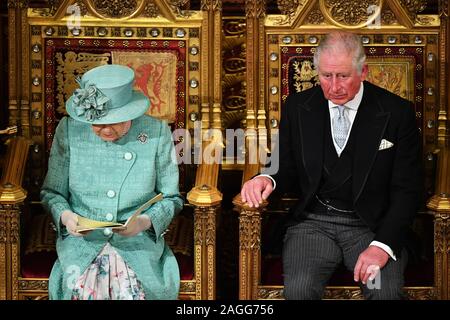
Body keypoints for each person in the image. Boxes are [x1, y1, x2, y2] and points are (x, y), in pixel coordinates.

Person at [240, 31, 422, 300]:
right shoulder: (299, 106)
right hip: (313, 224)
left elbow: (408, 190)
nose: (334, 86)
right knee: (300, 290)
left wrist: (382, 246)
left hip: (371, 227)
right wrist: (267, 178)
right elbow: (284, 165)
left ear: (363, 71)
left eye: (343, 76)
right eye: (326, 76)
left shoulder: (397, 113)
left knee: (383, 292)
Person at [41, 64, 184, 300]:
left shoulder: (155, 133)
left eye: (115, 122)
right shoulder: (69, 130)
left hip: (136, 243)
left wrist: (143, 222)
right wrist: (67, 218)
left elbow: (171, 198)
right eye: (99, 124)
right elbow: (51, 193)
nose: (106, 129)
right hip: (83, 243)